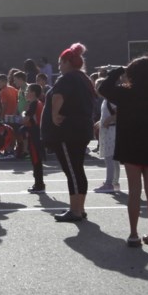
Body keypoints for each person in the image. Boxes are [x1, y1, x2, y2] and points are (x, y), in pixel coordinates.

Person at [98, 58, 148, 247]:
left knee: (134, 191)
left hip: (130, 144)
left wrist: (117, 71)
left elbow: (103, 89)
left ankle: (133, 234)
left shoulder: (127, 93)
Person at [41, 44, 97, 221]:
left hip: (68, 132)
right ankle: (79, 208)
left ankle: (75, 210)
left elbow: (58, 96)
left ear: (67, 62)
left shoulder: (68, 78)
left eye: (60, 62)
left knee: (72, 171)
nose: (59, 66)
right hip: (81, 130)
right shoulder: (84, 78)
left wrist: (55, 114)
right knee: (77, 169)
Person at [93, 77, 120, 194]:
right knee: (113, 159)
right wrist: (101, 121)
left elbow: (120, 112)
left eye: (98, 87)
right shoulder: (106, 100)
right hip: (108, 131)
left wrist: (109, 119)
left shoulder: (111, 100)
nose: (96, 89)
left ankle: (110, 183)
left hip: (111, 131)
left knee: (109, 159)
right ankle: (114, 182)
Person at [23, 83, 46, 193]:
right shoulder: (37, 103)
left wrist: (23, 113)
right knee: (36, 159)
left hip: (35, 134)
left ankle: (39, 184)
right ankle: (39, 183)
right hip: (37, 133)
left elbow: (26, 119)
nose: (26, 92)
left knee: (36, 159)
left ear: (33, 93)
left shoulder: (34, 104)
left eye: (28, 90)